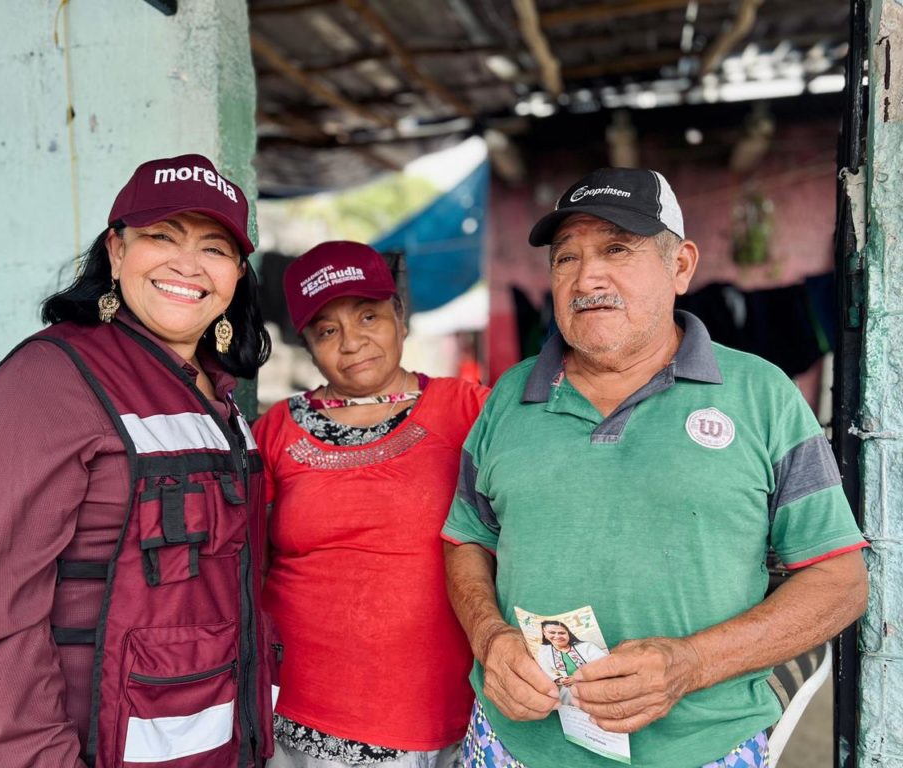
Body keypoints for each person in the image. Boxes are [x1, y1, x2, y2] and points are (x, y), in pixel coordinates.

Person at [441, 167, 869, 768]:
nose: (588, 276)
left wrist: (689, 664)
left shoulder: (762, 396)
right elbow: (467, 539)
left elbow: (841, 583)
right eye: (566, 259)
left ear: (681, 266)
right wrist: (490, 638)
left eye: (618, 249)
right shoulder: (508, 400)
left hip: (699, 750)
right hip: (511, 746)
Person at [0, 153, 278, 768]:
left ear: (237, 272)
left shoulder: (215, 391)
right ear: (117, 249)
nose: (188, 264)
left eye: (215, 248)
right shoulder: (50, 380)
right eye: (162, 237)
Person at [253, 241, 489, 768]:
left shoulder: (471, 410)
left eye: (368, 316)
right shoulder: (275, 430)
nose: (353, 342)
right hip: (309, 718)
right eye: (327, 330)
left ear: (400, 318)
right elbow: (244, 557)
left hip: (445, 711)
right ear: (307, 345)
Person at [535, 621, 605, 704]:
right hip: (568, 689)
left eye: (562, 633)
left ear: (568, 634)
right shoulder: (544, 651)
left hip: (595, 684)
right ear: (544, 634)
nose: (557, 636)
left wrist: (579, 678)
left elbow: (603, 664)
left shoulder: (587, 646)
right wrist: (560, 680)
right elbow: (544, 669)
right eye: (552, 632)